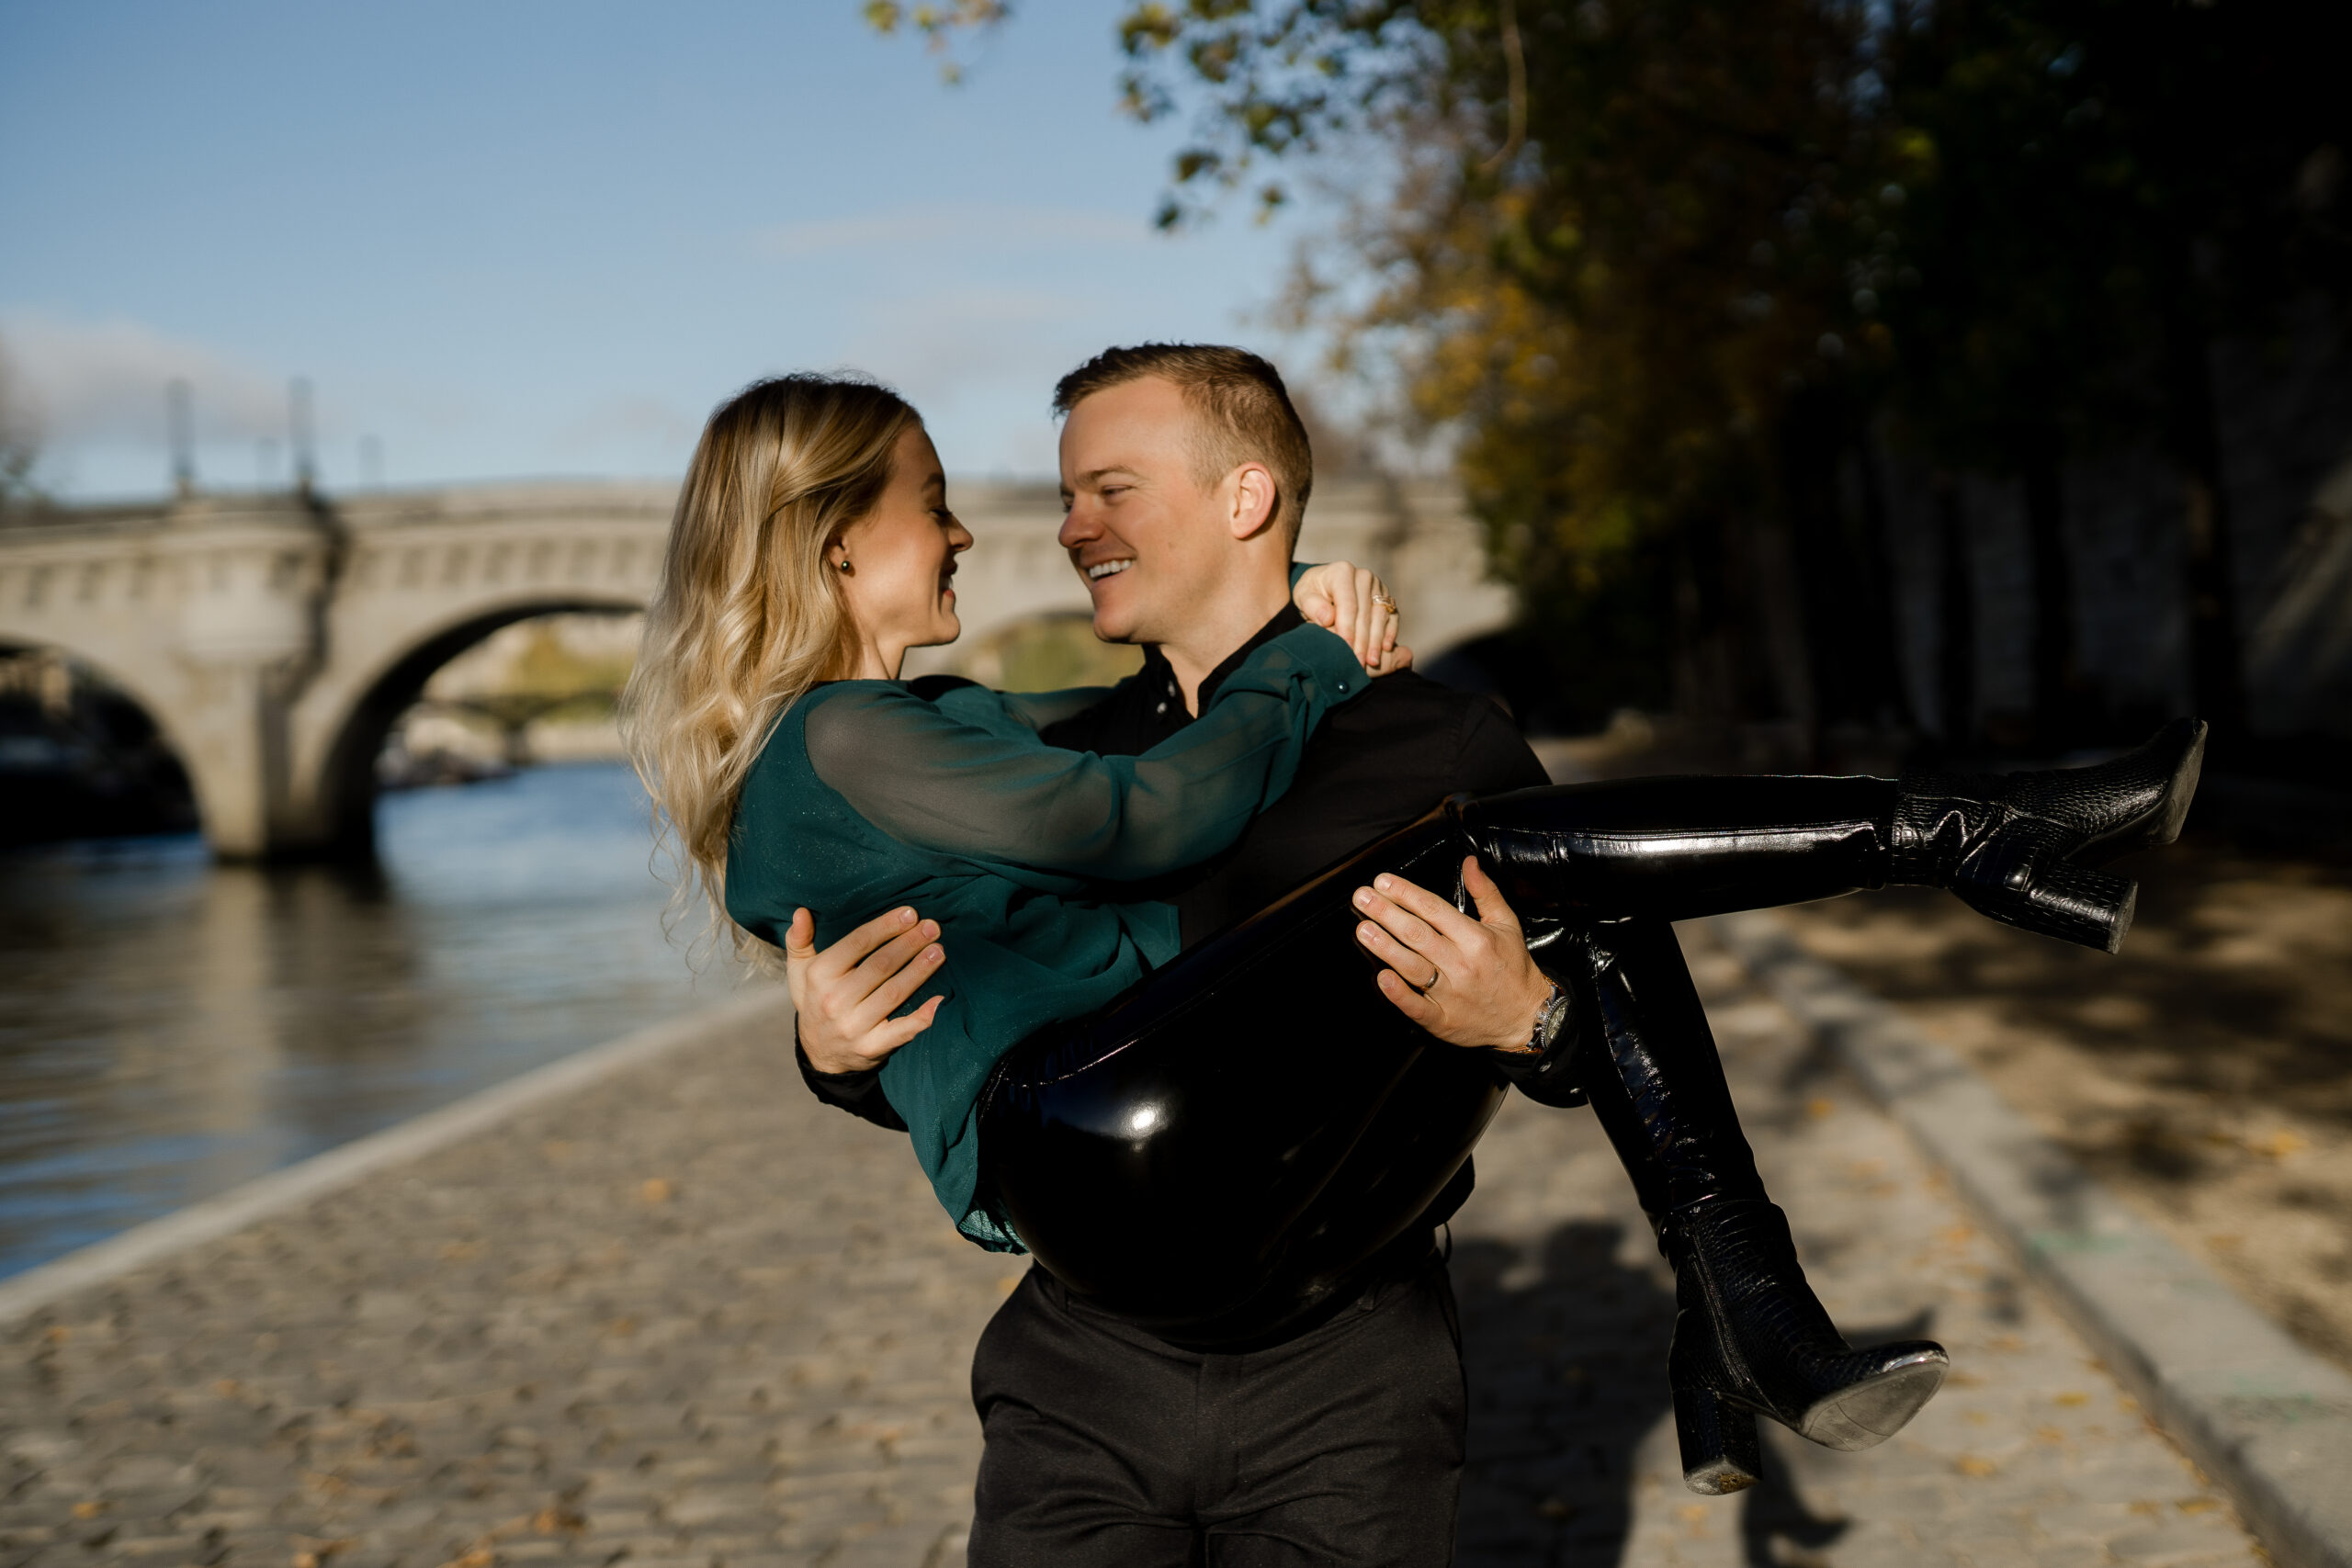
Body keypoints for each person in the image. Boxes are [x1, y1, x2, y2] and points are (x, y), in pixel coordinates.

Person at [788, 343, 2205, 1559]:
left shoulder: (1436, 744)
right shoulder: (1075, 763)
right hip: (1083, 1361)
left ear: (1244, 495)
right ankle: (1960, 858)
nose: (1070, 526)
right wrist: (833, 1058)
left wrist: (1528, 1028)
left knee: (1570, 886)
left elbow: (1624, 999)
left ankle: (1747, 1288)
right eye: (1064, 494)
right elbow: (980, 1012)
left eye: (1110, 488)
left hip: (1349, 1376)